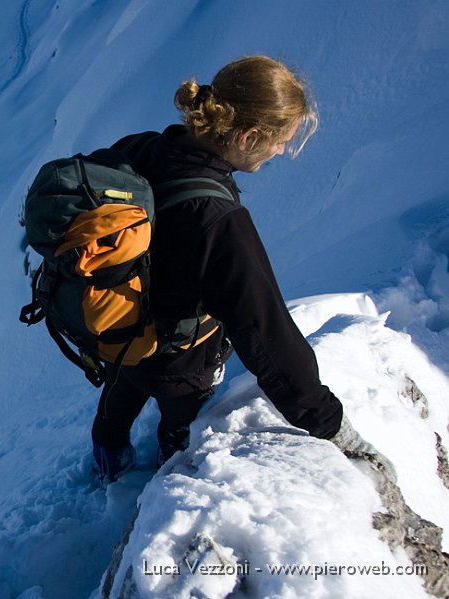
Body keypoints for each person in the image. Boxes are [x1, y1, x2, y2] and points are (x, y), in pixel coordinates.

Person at [92, 55, 379, 482]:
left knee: (119, 404)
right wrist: (328, 423)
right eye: (280, 140)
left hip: (115, 327)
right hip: (178, 365)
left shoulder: (142, 147)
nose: (281, 150)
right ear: (246, 137)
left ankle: (107, 462)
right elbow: (267, 332)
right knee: (180, 428)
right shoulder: (218, 219)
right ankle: (162, 482)